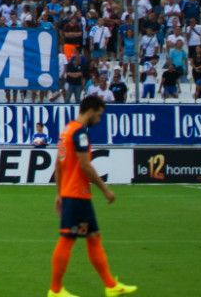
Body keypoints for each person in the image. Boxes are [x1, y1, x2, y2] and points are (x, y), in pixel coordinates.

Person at [47, 95, 136, 297]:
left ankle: (111, 285)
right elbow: (85, 166)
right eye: (99, 114)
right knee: (67, 239)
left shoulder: (66, 131)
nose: (99, 119)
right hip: (78, 195)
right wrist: (105, 190)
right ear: (91, 110)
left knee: (93, 238)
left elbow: (58, 164)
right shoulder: (80, 134)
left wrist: (59, 193)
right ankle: (55, 290)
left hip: (72, 194)